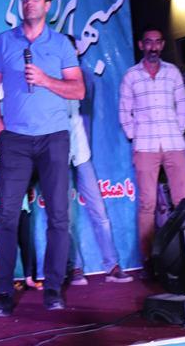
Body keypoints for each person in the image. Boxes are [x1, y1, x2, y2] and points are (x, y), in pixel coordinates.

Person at [0, 0, 85, 317]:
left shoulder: (60, 44)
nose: (29, 2)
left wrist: (45, 80)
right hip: (14, 139)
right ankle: (3, 292)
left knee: (58, 216)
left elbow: (78, 90)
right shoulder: (5, 41)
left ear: (47, 4)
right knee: (6, 216)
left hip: (53, 137)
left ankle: (53, 287)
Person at [119, 25, 185, 277]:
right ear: (141, 45)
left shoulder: (173, 73)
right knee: (147, 203)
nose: (153, 47)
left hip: (173, 144)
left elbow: (183, 108)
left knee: (182, 202)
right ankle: (148, 260)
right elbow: (124, 112)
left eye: (157, 42)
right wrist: (135, 136)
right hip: (146, 146)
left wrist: (175, 131)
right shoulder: (131, 76)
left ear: (162, 45)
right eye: (148, 42)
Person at [64, 34, 132, 286]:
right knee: (65, 214)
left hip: (82, 151)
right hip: (58, 152)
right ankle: (75, 267)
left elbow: (86, 111)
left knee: (99, 210)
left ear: (77, 52)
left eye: (71, 49)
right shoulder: (50, 79)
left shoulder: (85, 77)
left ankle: (111, 265)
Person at [0, 150, 42, 290]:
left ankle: (29, 278)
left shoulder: (23, 157)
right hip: (7, 210)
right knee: (7, 245)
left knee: (26, 243)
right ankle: (7, 280)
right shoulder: (2, 154)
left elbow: (34, 174)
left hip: (23, 208)